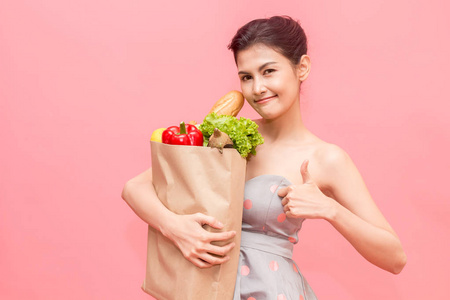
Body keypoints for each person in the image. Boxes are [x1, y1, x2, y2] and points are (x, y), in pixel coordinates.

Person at [122, 15, 407, 299]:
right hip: (203, 289)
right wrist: (175, 228)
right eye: (247, 77)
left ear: (302, 68)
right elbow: (134, 188)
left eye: (268, 71)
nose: (257, 88)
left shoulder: (325, 158)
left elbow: (394, 257)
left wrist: (329, 209)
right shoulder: (227, 137)